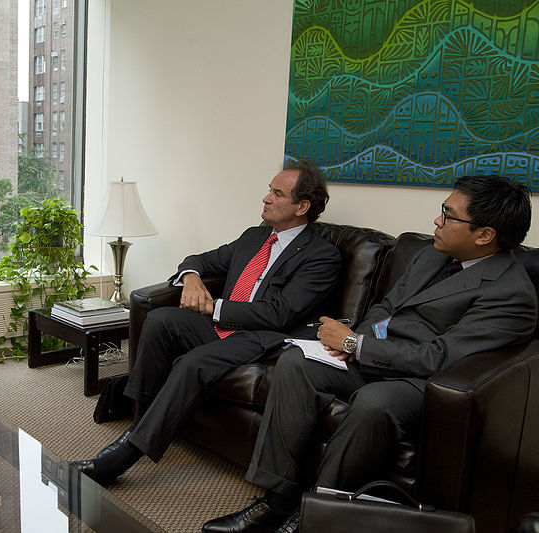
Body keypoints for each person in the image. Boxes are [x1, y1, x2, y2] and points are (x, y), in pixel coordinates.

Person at [202, 174, 538, 533]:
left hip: (425, 382)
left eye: (448, 215)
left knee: (375, 401)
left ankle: (317, 515)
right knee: (295, 361)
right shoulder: (432, 254)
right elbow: (386, 307)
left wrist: (355, 345)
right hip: (378, 356)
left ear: (485, 235)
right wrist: (354, 341)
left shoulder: (510, 294)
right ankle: (276, 499)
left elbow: (439, 358)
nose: (436, 221)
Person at [71, 160, 342, 485]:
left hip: (266, 338)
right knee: (159, 320)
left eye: (277, 193)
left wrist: (214, 306)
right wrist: (192, 279)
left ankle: (126, 454)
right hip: (225, 327)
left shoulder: (321, 255)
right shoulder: (255, 237)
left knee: (192, 362)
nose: (266, 198)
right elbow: (200, 259)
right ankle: (139, 420)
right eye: (269, 189)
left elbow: (279, 313)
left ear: (302, 206)